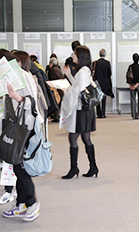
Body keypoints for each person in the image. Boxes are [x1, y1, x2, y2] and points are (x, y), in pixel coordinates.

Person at [0, 49, 41, 221]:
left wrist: (18, 97)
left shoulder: (22, 76)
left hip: (27, 128)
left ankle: (32, 204)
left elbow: (30, 105)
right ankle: (21, 204)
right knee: (17, 166)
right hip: (16, 127)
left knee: (21, 167)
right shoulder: (8, 79)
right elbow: (9, 110)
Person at [60, 45, 99, 179]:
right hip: (86, 110)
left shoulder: (82, 72)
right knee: (85, 138)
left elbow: (77, 92)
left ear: (80, 56)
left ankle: (74, 168)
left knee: (73, 138)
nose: (72, 56)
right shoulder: (85, 70)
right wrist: (69, 76)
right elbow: (78, 85)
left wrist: (66, 90)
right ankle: (92, 167)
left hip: (81, 111)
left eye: (74, 54)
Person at [93, 49, 114, 118]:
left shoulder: (95, 63)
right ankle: (103, 113)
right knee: (104, 98)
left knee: (98, 98)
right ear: (105, 55)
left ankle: (98, 113)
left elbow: (94, 73)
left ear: (99, 54)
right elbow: (109, 73)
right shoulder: (107, 63)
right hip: (105, 83)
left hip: (97, 83)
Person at [47, 56, 64, 122]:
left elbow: (53, 79)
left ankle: (56, 116)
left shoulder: (53, 70)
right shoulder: (57, 68)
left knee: (56, 101)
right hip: (60, 87)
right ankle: (56, 116)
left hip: (56, 88)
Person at [127, 53, 139, 120]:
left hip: (132, 84)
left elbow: (128, 76)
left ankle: (133, 115)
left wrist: (130, 85)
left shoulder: (130, 66)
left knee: (133, 99)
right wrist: (137, 84)